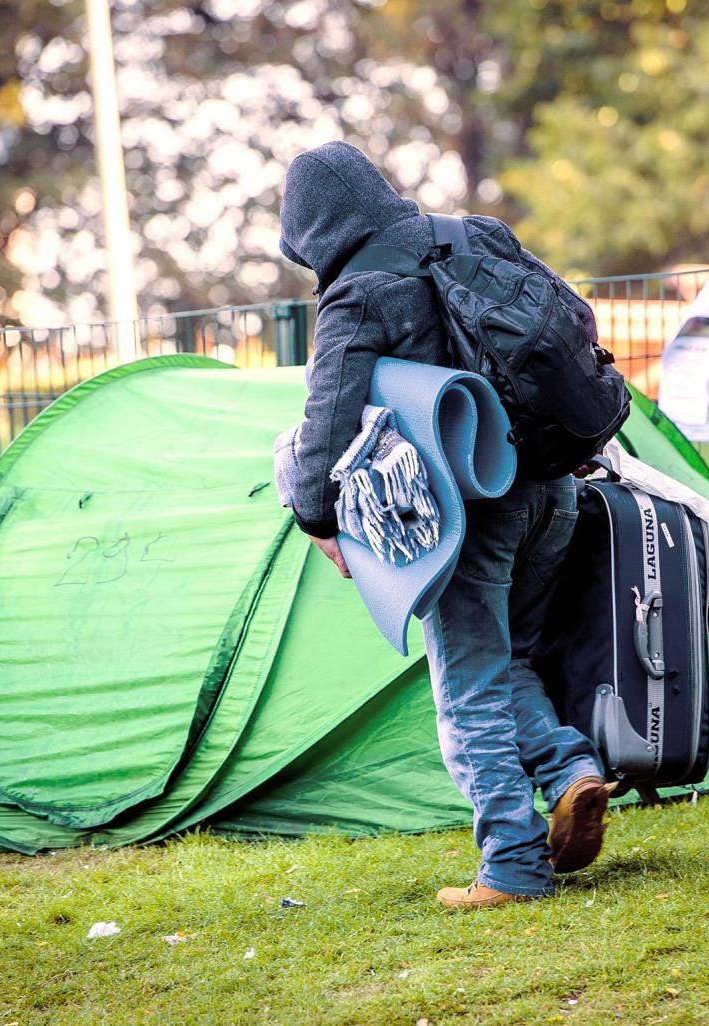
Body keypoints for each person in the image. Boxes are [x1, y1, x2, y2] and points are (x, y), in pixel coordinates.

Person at [278, 141, 617, 908]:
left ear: (311, 231)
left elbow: (326, 422)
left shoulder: (359, 291)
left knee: (466, 691)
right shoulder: (475, 233)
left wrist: (313, 514)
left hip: (472, 509)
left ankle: (512, 866)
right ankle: (571, 775)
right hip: (556, 486)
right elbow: (571, 324)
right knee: (507, 660)